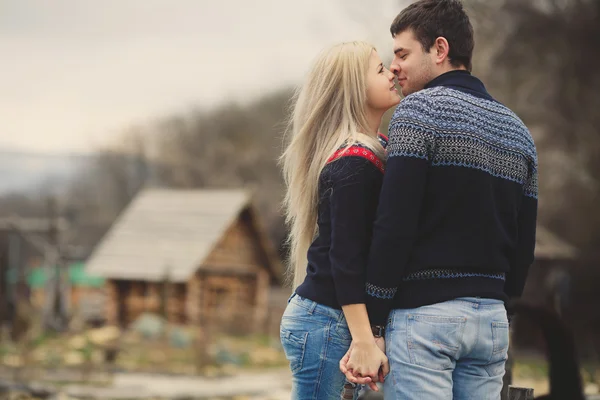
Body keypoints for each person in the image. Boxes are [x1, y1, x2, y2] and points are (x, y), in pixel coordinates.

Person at [340, 1, 538, 399]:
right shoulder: (520, 132)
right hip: (492, 322)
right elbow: (524, 243)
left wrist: (375, 324)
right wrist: (504, 309)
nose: (394, 66)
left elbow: (394, 225)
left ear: (440, 49)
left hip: (426, 321)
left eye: (402, 54)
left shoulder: (418, 111)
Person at [279, 41, 400, 399]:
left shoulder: (374, 148)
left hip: (332, 319)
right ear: (353, 90)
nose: (392, 71)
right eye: (380, 70)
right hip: (327, 322)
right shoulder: (353, 164)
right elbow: (345, 259)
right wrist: (364, 339)